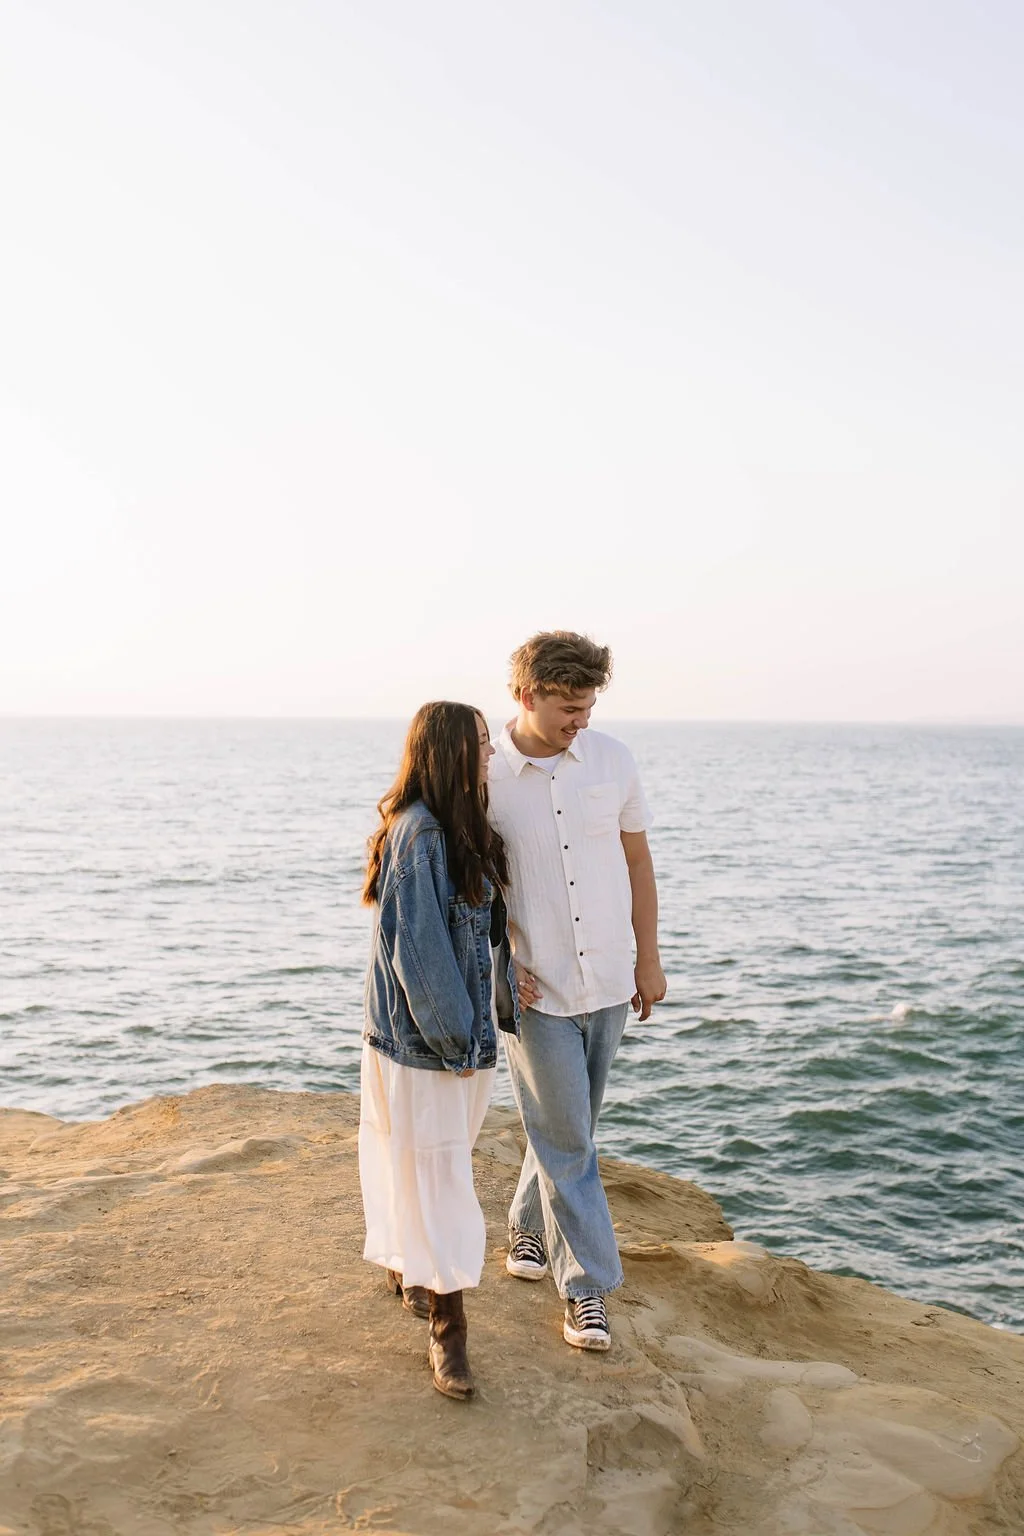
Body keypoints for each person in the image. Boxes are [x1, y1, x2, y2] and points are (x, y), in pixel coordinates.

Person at [486, 631, 666, 1352]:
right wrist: (499, 964)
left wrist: (648, 959)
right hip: (535, 992)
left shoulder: (613, 760)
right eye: (567, 707)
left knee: (571, 1131)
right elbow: (472, 885)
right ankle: (585, 1289)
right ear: (526, 696)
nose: (580, 721)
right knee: (569, 1143)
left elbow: (638, 861)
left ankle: (528, 1228)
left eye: (588, 706)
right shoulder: (486, 776)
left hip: (610, 980)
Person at [359, 701, 519, 1401]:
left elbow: (484, 935)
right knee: (443, 1177)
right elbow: (418, 955)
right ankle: (448, 1330)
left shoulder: (463, 829)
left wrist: (512, 987)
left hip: (460, 1035)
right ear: (449, 752)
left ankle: (415, 1273)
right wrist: (459, 1044)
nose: (491, 754)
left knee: (425, 1166)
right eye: (481, 745)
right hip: (431, 1042)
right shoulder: (419, 835)